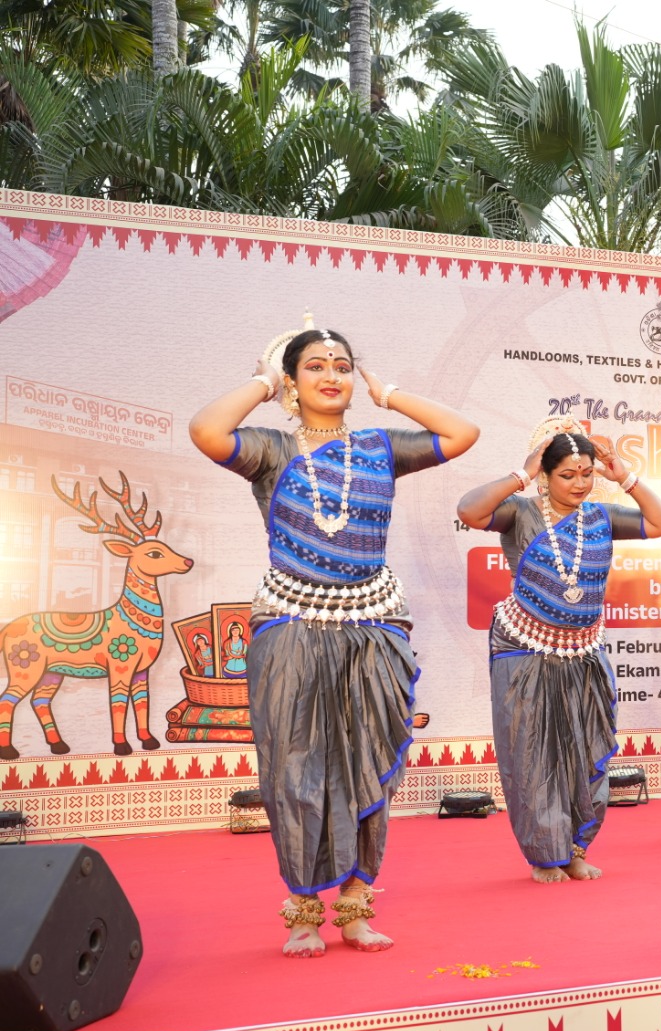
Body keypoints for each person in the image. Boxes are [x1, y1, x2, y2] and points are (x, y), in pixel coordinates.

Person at [189, 319, 477, 957]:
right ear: (292, 380)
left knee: (369, 765)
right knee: (296, 768)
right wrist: (263, 382)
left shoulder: (380, 447)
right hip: (290, 627)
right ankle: (303, 912)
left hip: (373, 628)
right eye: (315, 366)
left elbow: (461, 433)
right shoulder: (271, 449)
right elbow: (207, 431)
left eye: (342, 366)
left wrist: (389, 394)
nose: (331, 376)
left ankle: (355, 906)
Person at [456, 417, 661, 882]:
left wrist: (624, 476)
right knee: (534, 754)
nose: (580, 483)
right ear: (546, 475)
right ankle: (544, 854)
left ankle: (575, 849)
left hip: (583, 653)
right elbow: (470, 511)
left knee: (583, 753)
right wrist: (521, 474)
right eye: (567, 475)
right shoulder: (520, 512)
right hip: (524, 649)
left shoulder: (602, 517)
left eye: (587, 474)